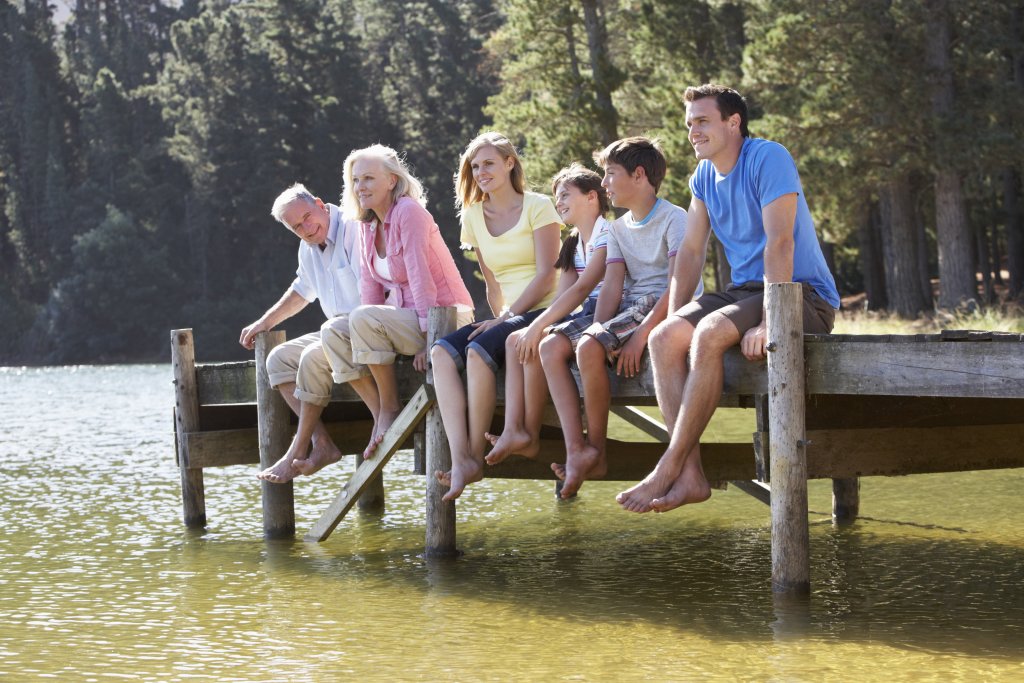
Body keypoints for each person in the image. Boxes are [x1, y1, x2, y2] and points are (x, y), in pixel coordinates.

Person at [617, 84, 840, 513]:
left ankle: (668, 465)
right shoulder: (702, 177)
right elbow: (692, 252)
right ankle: (692, 476)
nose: (692, 132)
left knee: (710, 332)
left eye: (702, 121)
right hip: (745, 292)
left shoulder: (768, 157)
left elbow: (780, 245)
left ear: (732, 122)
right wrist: (677, 314)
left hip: (803, 295)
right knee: (664, 338)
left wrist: (770, 322)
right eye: (688, 124)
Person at [544, 137, 702, 499]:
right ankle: (579, 449)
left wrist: (641, 335)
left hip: (662, 306)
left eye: (611, 174)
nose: (604, 183)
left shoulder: (675, 218)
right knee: (553, 346)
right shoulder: (616, 229)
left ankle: (596, 449)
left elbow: (680, 285)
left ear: (639, 174)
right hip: (629, 306)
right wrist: (598, 333)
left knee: (588, 347)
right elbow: (612, 287)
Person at [430, 131, 562, 501]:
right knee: (441, 352)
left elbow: (547, 275)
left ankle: (473, 457)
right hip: (507, 316)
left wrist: (505, 319)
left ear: (509, 163)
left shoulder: (539, 206)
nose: (481, 171)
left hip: (544, 311)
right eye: (475, 166)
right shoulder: (472, 215)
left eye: (489, 163)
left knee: (477, 352)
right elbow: (492, 282)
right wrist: (495, 321)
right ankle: (461, 457)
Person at [334, 144, 474, 458]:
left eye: (369, 178)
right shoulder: (367, 225)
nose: (360, 187)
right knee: (334, 331)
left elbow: (420, 276)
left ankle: (390, 409)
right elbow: (369, 291)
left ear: (392, 181)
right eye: (356, 180)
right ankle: (379, 411)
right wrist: (363, 323)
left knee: (362, 319)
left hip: (447, 318)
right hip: (408, 318)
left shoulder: (409, 212)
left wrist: (431, 339)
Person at [240, 183, 379, 483]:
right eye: (296, 226)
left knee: (312, 356)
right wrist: (264, 322)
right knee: (277, 360)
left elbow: (376, 292)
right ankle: (322, 444)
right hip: (336, 331)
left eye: (307, 217)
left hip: (370, 327)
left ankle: (295, 452)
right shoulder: (308, 247)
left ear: (319, 203)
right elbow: (302, 291)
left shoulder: (353, 228)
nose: (305, 227)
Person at [484, 163, 612, 466]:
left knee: (539, 339)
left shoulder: (608, 233)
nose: (559, 204)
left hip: (606, 312)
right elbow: (564, 295)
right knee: (516, 340)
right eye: (557, 198)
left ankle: (574, 447)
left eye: (566, 196)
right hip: (583, 312)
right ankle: (522, 431)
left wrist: (539, 327)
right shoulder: (572, 244)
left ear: (592, 197)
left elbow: (582, 290)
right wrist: (535, 327)